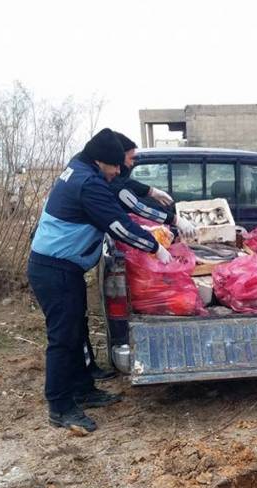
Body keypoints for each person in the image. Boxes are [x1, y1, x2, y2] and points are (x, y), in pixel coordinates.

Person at [28, 128, 172, 433]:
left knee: (77, 328)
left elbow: (120, 188)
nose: (118, 170)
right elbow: (118, 225)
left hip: (62, 267)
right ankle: (60, 406)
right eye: (114, 165)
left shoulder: (81, 167)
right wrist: (155, 247)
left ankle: (83, 388)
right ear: (99, 161)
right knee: (63, 338)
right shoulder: (87, 184)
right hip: (54, 269)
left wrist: (147, 192)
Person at [79, 132, 196, 381]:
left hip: (68, 262)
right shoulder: (94, 184)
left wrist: (151, 190)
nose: (130, 165)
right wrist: (159, 240)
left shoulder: (97, 175)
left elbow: (128, 188)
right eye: (129, 160)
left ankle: (84, 378)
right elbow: (128, 212)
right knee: (68, 329)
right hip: (60, 264)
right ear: (112, 160)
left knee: (75, 323)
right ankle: (71, 391)